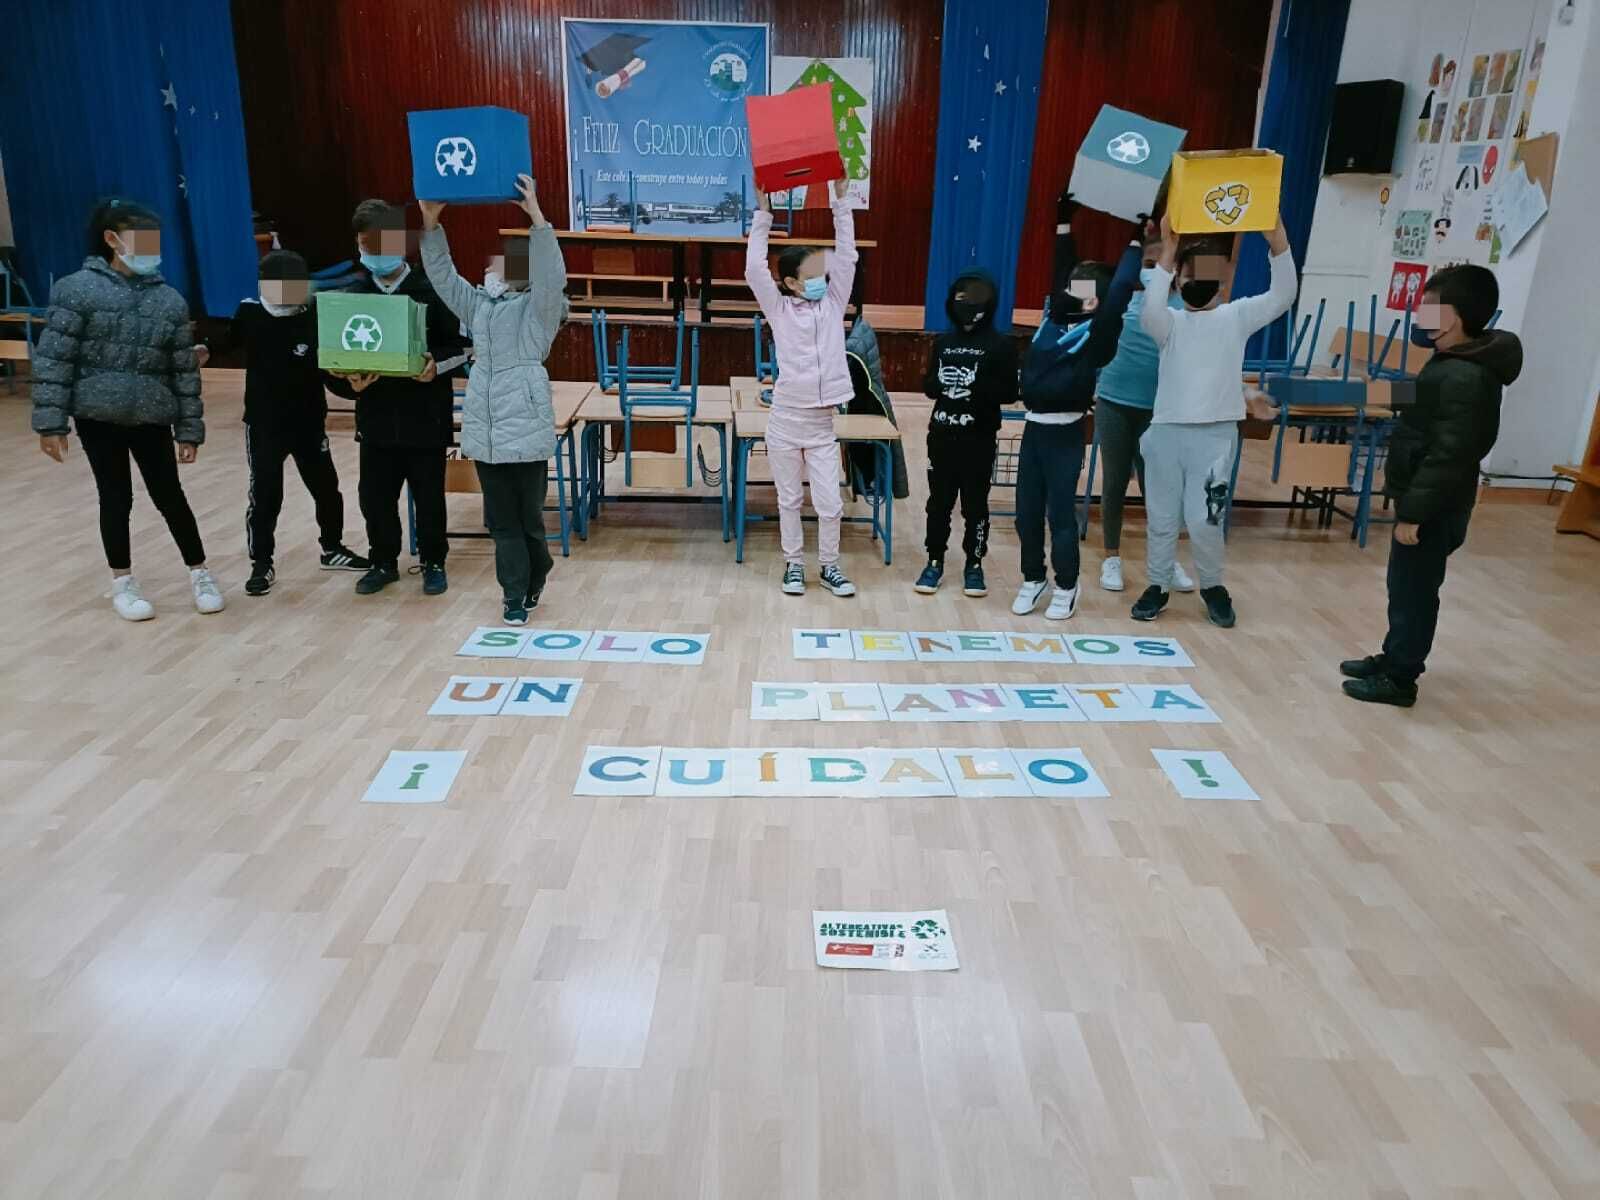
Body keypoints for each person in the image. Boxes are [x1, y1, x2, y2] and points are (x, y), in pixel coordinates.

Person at [32, 198, 224, 621]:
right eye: (141, 239)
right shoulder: (76, 289)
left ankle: (200, 574)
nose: (151, 249)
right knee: (115, 497)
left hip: (152, 415)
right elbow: (54, 359)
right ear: (112, 240)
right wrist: (51, 422)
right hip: (97, 416)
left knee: (170, 496)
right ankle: (123, 582)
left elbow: (183, 372)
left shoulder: (169, 300)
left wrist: (189, 431)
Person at [1341, 265, 1521, 706]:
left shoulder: (1467, 376)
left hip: (1433, 508)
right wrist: (1368, 393)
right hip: (1425, 501)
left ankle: (1401, 678)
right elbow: (1422, 403)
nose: (1418, 312)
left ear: (1454, 316)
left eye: (1427, 305)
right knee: (1403, 586)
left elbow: (1451, 455)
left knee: (1416, 592)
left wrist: (1414, 513)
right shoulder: (1453, 363)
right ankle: (1393, 655)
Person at [1134, 214, 1298, 628]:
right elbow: (1150, 307)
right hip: (1167, 434)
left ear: (1223, 282)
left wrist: (1277, 239)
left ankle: (1212, 585)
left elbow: (1283, 294)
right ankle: (1157, 584)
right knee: (1162, 517)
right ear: (1177, 281)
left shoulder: (1235, 317)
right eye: (1188, 274)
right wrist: (1168, 250)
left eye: (1208, 275)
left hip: (1214, 438)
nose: (1198, 282)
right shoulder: (1169, 323)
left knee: (1204, 518)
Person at [419, 174, 567, 625]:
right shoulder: (479, 306)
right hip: (485, 430)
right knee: (501, 522)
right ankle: (513, 595)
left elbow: (553, 278)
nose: (502, 269)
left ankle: (536, 570)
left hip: (525, 426)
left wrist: (537, 218)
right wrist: (430, 225)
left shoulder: (539, 312)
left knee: (529, 523)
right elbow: (444, 279)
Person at [325, 199, 468, 597]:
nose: (373, 253)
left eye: (381, 244)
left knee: (428, 498)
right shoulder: (351, 294)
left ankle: (433, 560)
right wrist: (348, 385)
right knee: (375, 498)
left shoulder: (432, 288)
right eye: (365, 246)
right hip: (376, 420)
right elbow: (332, 365)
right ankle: (383, 561)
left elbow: (459, 347)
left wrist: (434, 365)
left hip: (425, 418)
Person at [1012, 190, 1141, 620]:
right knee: (1025, 515)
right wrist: (1064, 223)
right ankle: (1034, 578)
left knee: (1059, 517)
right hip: (1032, 429)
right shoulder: (1054, 319)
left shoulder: (1097, 332)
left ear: (1094, 300)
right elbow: (1061, 272)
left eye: (1083, 285)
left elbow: (1121, 288)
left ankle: (1067, 585)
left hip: (1065, 434)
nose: (1071, 286)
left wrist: (1137, 241)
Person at [220, 250, 369, 596]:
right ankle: (262, 562)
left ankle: (332, 548)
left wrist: (353, 389)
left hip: (309, 422)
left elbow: (328, 370)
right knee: (266, 494)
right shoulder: (249, 314)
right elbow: (222, 347)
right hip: (264, 424)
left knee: (327, 489)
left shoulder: (314, 316)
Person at [744, 176, 857, 598]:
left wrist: (840, 200)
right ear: (790, 282)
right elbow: (754, 268)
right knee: (789, 500)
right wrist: (763, 214)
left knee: (831, 503)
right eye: (809, 274)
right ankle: (793, 565)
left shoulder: (832, 304)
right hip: (785, 423)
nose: (819, 278)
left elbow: (846, 257)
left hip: (822, 425)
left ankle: (830, 566)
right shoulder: (779, 309)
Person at [1090, 227, 1195, 594]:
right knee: (1116, 482)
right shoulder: (1121, 299)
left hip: (1158, 412)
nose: (1153, 270)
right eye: (1147, 264)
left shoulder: (1184, 307)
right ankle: (1112, 558)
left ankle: (1166, 560)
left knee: (1160, 489)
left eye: (1160, 263)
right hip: (1115, 402)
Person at [914, 267, 1016, 597]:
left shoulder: (1000, 345)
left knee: (975, 506)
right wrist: (938, 382)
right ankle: (934, 561)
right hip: (942, 437)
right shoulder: (944, 343)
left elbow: (1010, 392)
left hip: (978, 440)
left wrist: (978, 384)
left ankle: (974, 564)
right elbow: (930, 387)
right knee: (938, 504)